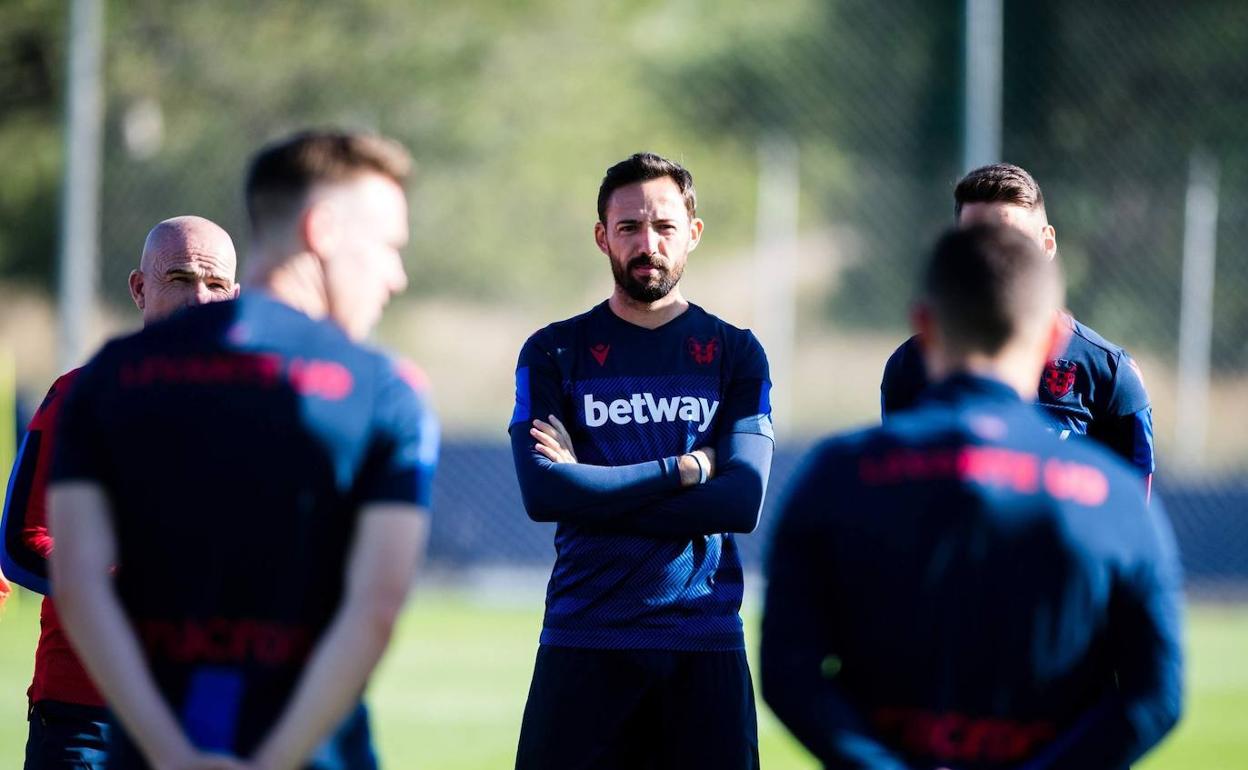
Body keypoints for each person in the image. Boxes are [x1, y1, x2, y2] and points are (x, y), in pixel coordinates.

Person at [45, 130, 438, 770]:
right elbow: (376, 609)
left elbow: (78, 583)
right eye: (388, 246)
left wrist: (171, 753)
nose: (396, 274)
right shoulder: (386, 391)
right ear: (323, 230)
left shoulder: (107, 378)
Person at [763, 224, 1183, 770]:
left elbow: (787, 676)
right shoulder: (1116, 500)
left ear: (923, 326)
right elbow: (1156, 698)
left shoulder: (834, 476)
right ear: (1055, 341)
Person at [509, 152, 774, 769]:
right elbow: (544, 495)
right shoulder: (554, 351)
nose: (646, 243)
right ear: (602, 236)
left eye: (663, 227)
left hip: (701, 641)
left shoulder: (735, 352)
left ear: (693, 233)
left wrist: (592, 489)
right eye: (628, 228)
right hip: (583, 639)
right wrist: (683, 470)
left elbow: (741, 502)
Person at [1, 215, 240, 770]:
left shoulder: (263, 412)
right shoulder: (81, 398)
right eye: (179, 278)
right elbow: (19, 543)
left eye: (216, 285)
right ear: (139, 288)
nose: (199, 300)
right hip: (88, 719)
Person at [880, 163, 1155, 490]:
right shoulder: (908, 367)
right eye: (976, 244)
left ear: (1048, 244)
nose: (994, 262)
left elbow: (1128, 518)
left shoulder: (1109, 376)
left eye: (1016, 244)